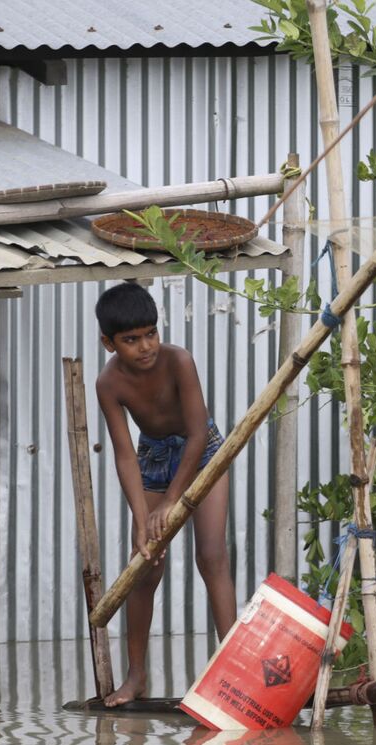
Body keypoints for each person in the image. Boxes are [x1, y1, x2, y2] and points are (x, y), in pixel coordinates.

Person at [94, 281, 237, 707]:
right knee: (145, 568)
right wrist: (143, 520)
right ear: (109, 343)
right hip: (153, 457)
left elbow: (196, 436)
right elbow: (124, 457)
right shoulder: (108, 383)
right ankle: (136, 678)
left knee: (211, 558)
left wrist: (174, 501)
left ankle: (230, 672)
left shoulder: (179, 361)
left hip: (203, 451)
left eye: (150, 333)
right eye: (131, 339)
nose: (145, 346)